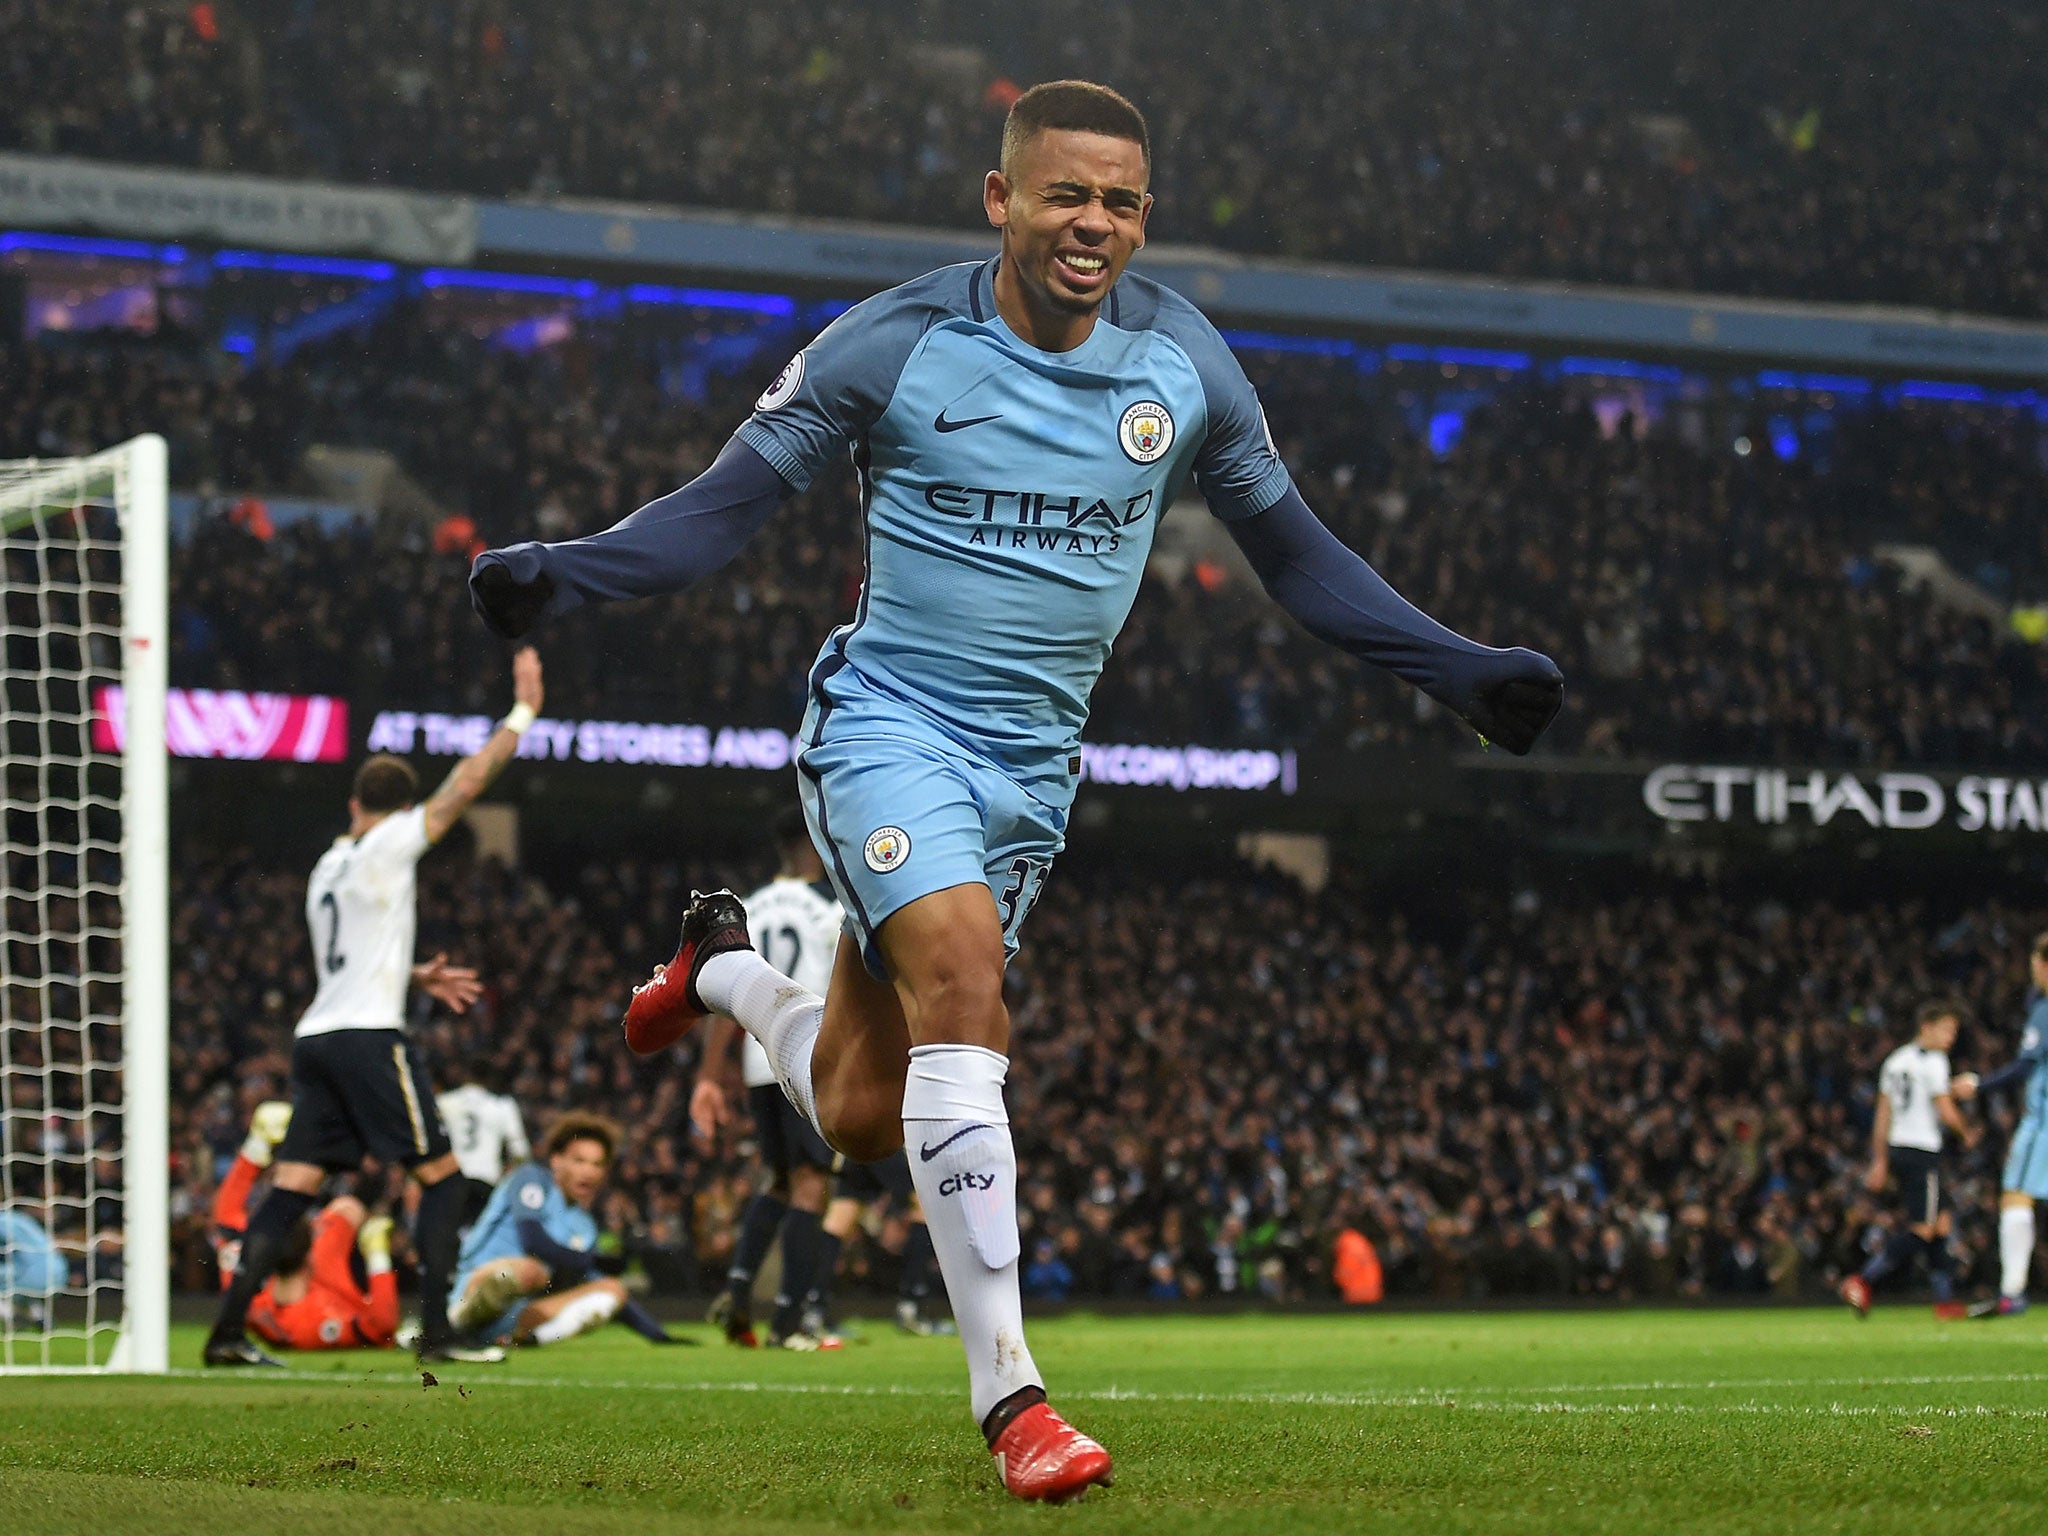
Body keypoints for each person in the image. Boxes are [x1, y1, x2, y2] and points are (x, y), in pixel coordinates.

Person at [469, 82, 1562, 1500]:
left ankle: (724, 972)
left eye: (1118, 201)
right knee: (967, 992)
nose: (1090, 224)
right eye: (1063, 194)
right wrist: (564, 571)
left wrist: (1458, 670)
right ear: (1001, 199)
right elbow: (722, 509)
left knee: (861, 1113)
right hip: (888, 728)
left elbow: (1296, 557)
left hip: (1031, 774)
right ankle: (1017, 1404)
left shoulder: (1186, 363)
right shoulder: (893, 347)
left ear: (1144, 214)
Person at [201, 648, 543, 1368]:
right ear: (396, 806)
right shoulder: (392, 842)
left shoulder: (329, 865)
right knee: (443, 1178)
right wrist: (521, 715)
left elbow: (352, 954)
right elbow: (464, 784)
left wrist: (412, 976)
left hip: (317, 1037)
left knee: (293, 1187)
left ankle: (227, 1334)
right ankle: (441, 1336)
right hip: (366, 1037)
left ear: (353, 802)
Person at [691, 807, 847, 1351]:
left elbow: (724, 990)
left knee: (780, 1181)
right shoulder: (832, 906)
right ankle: (789, 1321)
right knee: (812, 1185)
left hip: (760, 1060)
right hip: (813, 1054)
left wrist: (709, 1076)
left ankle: (737, 1291)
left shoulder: (748, 908)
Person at [449, 1112, 678, 1347]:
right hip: (474, 1289)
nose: (588, 1171)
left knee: (613, 1290)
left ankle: (526, 1340)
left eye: (597, 1164)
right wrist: (593, 1260)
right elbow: (533, 1240)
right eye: (579, 1161)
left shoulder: (584, 1226)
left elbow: (590, 1276)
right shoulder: (532, 1179)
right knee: (531, 1272)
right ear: (557, 1160)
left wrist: (660, 1336)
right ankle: (453, 1325)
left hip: (514, 1314)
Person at [209, 1102, 401, 1351]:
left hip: (308, 1260)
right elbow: (381, 1327)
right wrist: (378, 1257)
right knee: (346, 1208)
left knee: (345, 1209)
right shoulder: (321, 1319)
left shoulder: (249, 1304)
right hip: (332, 1272)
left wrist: (256, 1147)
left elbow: (226, 1221)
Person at [1840, 1000, 1978, 1318]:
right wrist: (1966, 1132)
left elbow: (1883, 1114)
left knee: (1942, 1224)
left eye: (1953, 1032)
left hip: (1899, 1148)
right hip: (1921, 1151)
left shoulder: (1895, 1061)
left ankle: (1944, 1302)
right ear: (1926, 1027)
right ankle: (1862, 1280)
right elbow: (1943, 1108)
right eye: (1945, 1030)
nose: (1950, 1038)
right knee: (1924, 1229)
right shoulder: (1935, 1062)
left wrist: (1880, 1160)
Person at [1967, 932, 2048, 1318]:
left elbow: (2026, 1065)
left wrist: (1978, 1085)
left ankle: (2012, 1292)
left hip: (2044, 1119)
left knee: (2016, 1195)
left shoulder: (2045, 1008)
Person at [438, 1069, 531, 1226]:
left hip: (452, 1180)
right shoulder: (502, 1106)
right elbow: (520, 1151)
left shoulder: (444, 1101)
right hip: (487, 1181)